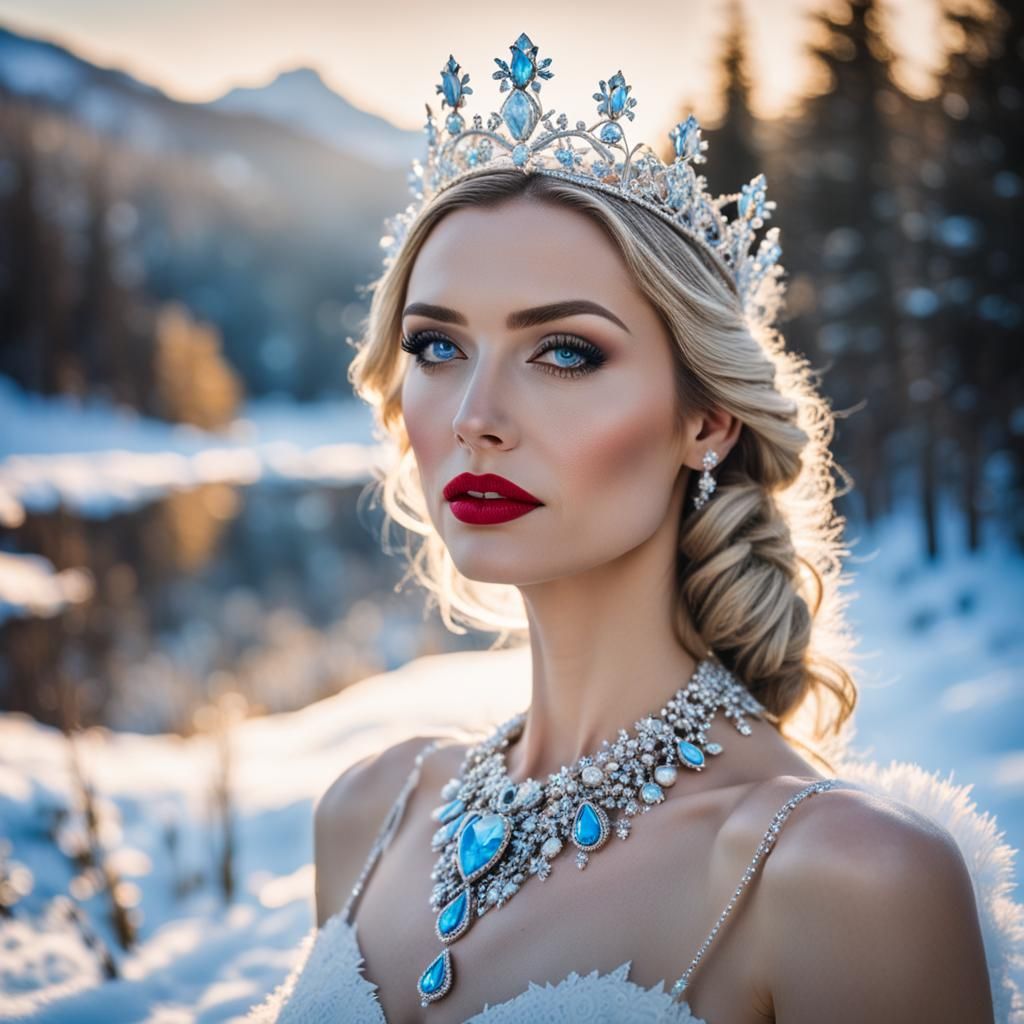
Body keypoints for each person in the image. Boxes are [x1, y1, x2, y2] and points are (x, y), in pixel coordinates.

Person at [248, 32, 1019, 1024]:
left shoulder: (844, 876)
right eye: (437, 345)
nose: (475, 412)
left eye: (563, 352)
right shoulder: (369, 812)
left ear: (705, 420)